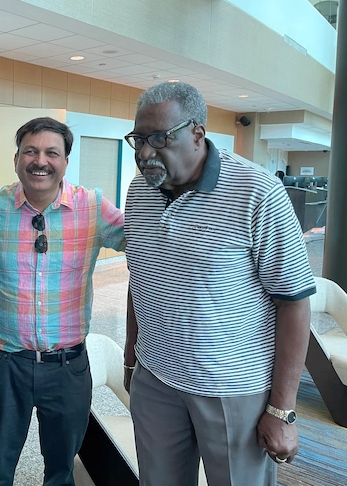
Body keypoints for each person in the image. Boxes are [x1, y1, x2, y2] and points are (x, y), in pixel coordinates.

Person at [122, 82, 315, 486]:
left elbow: (293, 303)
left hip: (233, 388)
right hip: (156, 378)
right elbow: (140, 278)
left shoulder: (258, 192)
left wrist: (282, 410)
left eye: (159, 138)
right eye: (138, 139)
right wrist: (131, 358)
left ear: (197, 133)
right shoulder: (139, 191)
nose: (145, 152)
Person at [0, 117, 126, 486]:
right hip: (5, 364)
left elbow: (142, 241)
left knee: (61, 470)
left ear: (65, 162)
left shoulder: (93, 207)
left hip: (67, 367)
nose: (40, 161)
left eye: (51, 153)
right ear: (16, 159)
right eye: (31, 151)